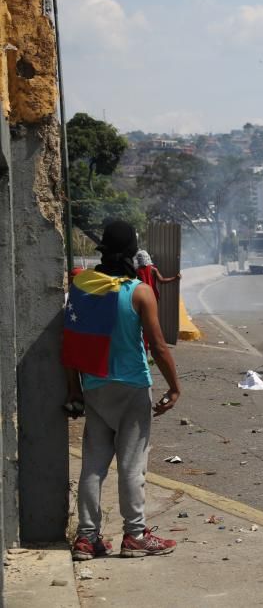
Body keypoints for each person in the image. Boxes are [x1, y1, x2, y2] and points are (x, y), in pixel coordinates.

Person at [63, 220, 181, 560]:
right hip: (131, 387)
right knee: (131, 465)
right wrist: (174, 388)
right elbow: (158, 347)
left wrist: (75, 390)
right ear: (133, 253)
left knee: (93, 466)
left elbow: (70, 344)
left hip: (95, 386)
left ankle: (86, 538)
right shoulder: (138, 292)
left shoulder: (83, 289)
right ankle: (135, 535)